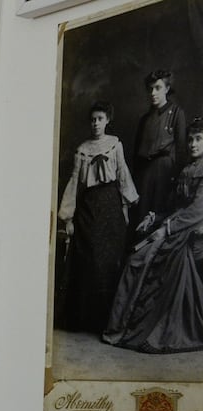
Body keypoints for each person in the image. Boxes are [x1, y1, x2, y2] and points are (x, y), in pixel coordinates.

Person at [103, 117, 203, 353]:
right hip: (175, 224)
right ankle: (121, 326)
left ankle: (134, 328)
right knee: (135, 259)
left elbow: (197, 210)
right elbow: (174, 206)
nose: (193, 144)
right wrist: (155, 217)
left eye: (199, 139)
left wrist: (166, 229)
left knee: (142, 260)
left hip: (190, 228)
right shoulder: (186, 169)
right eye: (190, 140)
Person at [57, 100, 138, 334]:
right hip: (89, 208)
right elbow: (74, 183)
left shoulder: (115, 145)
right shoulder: (82, 150)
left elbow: (122, 174)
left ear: (107, 120)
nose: (95, 123)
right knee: (90, 259)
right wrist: (68, 217)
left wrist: (125, 208)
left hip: (111, 206)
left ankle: (107, 321)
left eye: (100, 119)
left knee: (109, 260)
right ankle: (86, 319)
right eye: (93, 119)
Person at [131, 69, 187, 232]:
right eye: (150, 89)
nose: (153, 93)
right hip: (144, 176)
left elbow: (181, 150)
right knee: (140, 218)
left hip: (165, 174)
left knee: (158, 217)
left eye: (158, 88)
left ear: (167, 89)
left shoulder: (176, 113)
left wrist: (177, 178)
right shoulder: (145, 119)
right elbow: (136, 154)